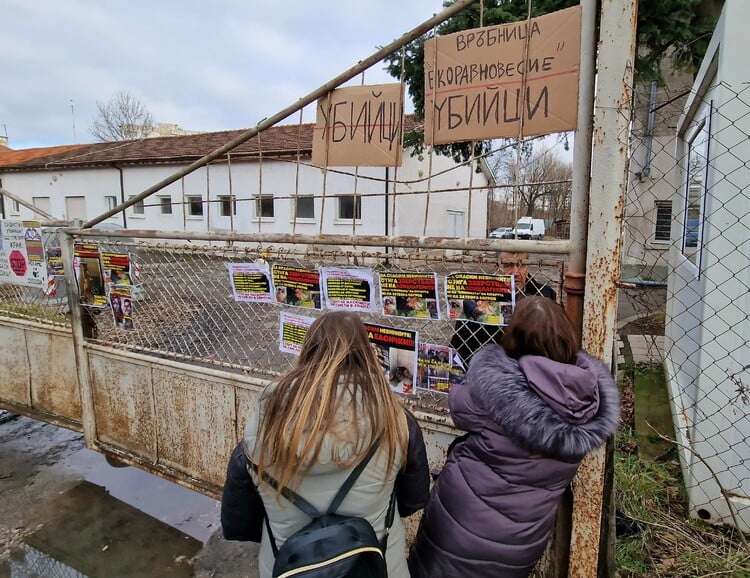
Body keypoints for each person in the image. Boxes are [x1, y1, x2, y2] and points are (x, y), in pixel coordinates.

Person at [408, 297, 620, 578]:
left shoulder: (494, 392)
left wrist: (485, 367)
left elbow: (458, 403)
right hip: (523, 540)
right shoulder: (586, 399)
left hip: (462, 525)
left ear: (513, 337)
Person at [221, 311, 430, 578]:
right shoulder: (396, 420)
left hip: (292, 568)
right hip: (377, 566)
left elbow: (237, 522)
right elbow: (414, 499)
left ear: (307, 350)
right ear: (366, 354)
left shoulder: (265, 423)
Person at [450, 251, 556, 366]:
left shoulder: (545, 294)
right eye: (507, 265)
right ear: (496, 267)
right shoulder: (477, 297)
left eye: (522, 265)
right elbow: (461, 345)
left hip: (533, 368)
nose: (515, 272)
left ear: (528, 267)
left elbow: (556, 341)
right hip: (490, 369)